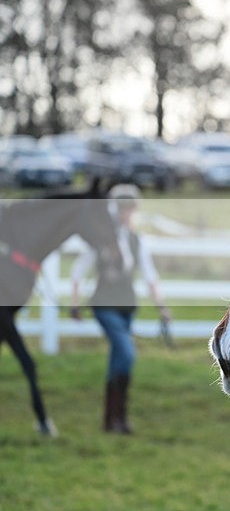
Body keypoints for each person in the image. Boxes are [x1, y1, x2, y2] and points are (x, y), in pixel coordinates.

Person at [70, 184, 170, 434]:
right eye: (122, 209)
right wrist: (74, 303)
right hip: (104, 305)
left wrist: (162, 307)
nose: (126, 213)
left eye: (129, 209)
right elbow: (78, 272)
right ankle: (117, 418)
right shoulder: (100, 239)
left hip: (127, 306)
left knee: (118, 359)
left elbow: (150, 276)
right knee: (126, 353)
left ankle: (114, 419)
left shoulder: (137, 241)